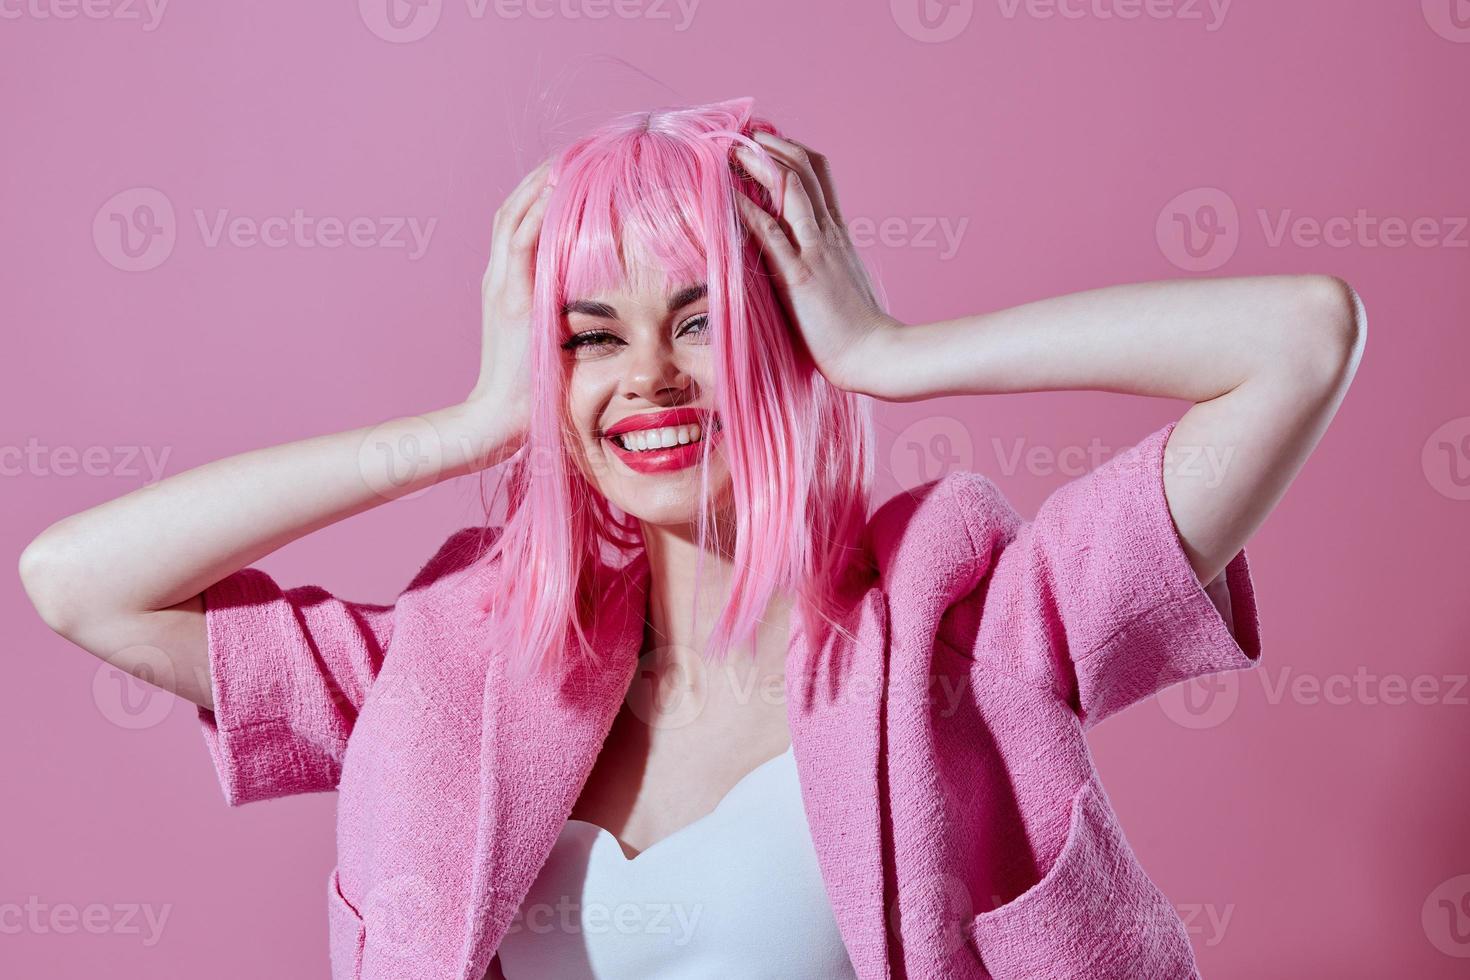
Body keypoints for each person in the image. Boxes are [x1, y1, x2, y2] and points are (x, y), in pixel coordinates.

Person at [19, 96, 1365, 979]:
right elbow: (78, 582)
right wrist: (474, 421)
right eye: (588, 336)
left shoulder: (965, 630)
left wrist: (890, 353)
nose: (649, 377)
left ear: (786, 332)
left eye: (702, 317)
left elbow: (1295, 342)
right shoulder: (442, 674)